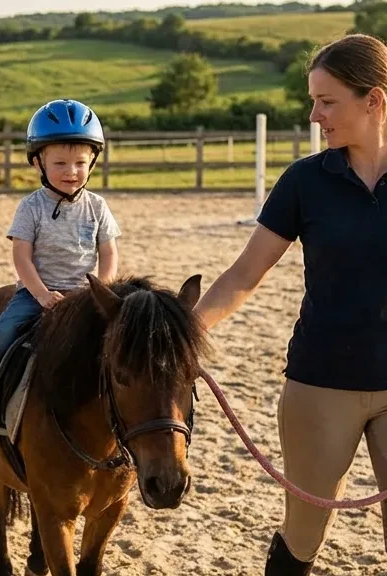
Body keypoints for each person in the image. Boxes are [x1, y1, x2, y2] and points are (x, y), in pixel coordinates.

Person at [192, 33, 387, 576]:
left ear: (373, 100)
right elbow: (243, 275)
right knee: (303, 535)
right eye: (313, 100)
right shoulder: (305, 181)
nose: (315, 114)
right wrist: (184, 333)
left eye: (328, 101)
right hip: (320, 384)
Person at [0, 98, 121, 438]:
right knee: (3, 333)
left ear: (92, 162)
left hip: (86, 294)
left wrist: (102, 290)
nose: (71, 171)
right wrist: (41, 295)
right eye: (60, 163)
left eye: (80, 163)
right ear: (37, 163)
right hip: (37, 292)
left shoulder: (97, 207)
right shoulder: (31, 208)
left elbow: (109, 252)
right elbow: (22, 257)